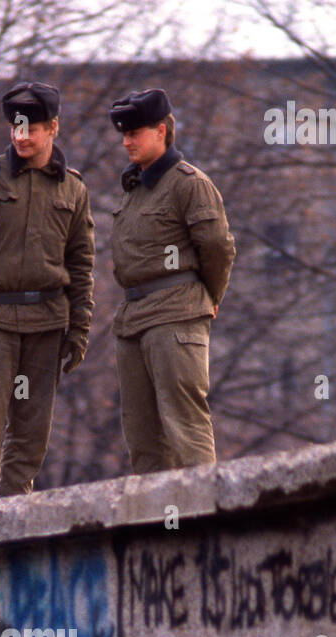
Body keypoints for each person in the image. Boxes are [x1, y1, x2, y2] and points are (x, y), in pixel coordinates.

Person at [0, 81, 95, 501]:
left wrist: (80, 327)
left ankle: (13, 515)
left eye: (31, 128)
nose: (21, 137)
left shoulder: (73, 190)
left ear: (53, 128)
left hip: (46, 326)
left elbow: (81, 266)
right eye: (15, 128)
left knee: (30, 432)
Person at [108, 88, 235, 472]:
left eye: (135, 133)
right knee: (142, 439)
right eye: (124, 134)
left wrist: (210, 296)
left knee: (185, 427)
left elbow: (217, 248)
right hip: (134, 317)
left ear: (162, 131)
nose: (127, 142)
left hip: (176, 313)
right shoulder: (135, 188)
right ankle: (157, 529)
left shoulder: (188, 183)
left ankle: (202, 525)